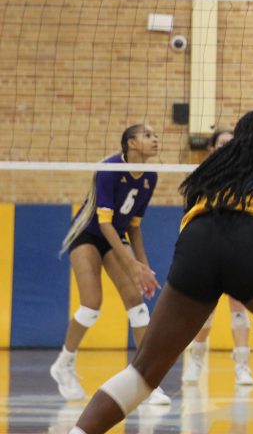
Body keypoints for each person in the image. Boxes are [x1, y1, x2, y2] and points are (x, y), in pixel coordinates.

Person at [65, 109, 253, 434]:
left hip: (194, 248)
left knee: (144, 371)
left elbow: (191, 221)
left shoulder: (213, 169)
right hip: (251, 246)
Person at [51, 125, 168, 406]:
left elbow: (134, 228)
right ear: (131, 142)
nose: (155, 140)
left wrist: (144, 267)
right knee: (91, 305)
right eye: (148, 135)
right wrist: (131, 263)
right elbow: (104, 223)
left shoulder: (150, 177)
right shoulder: (109, 168)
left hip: (116, 235)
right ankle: (64, 364)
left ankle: (147, 382)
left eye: (154, 135)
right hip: (88, 233)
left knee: (137, 304)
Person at [181, 128, 253, 387]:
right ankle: (196, 362)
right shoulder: (203, 175)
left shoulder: (248, 176)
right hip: (208, 246)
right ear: (212, 148)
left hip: (239, 246)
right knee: (207, 308)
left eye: (231, 143)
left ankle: (242, 367)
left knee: (238, 305)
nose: (227, 147)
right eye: (222, 143)